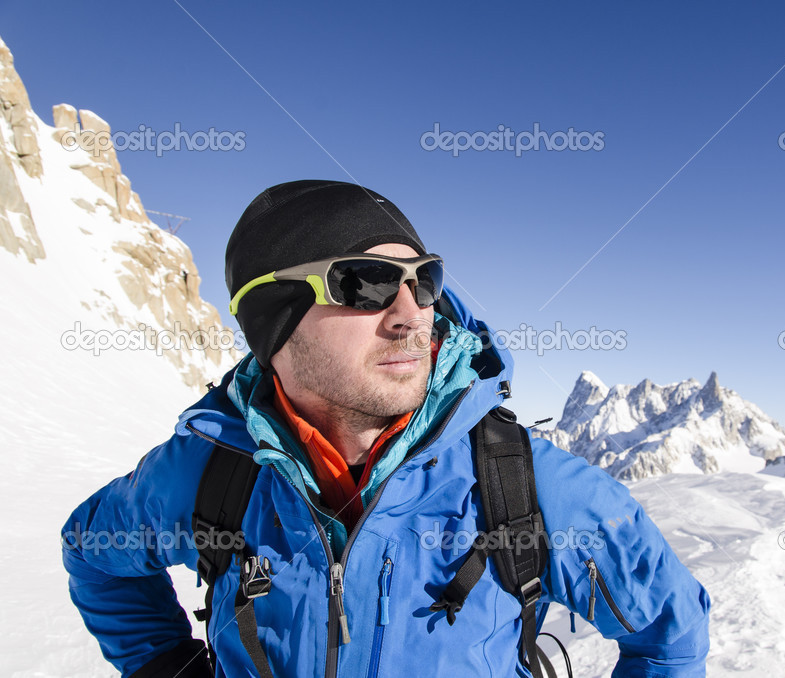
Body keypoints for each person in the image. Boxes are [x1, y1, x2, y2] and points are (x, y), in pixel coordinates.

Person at [61, 180, 711, 677]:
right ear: (274, 319)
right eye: (365, 283)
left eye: (423, 281)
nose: (410, 313)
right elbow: (96, 557)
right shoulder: (208, 472)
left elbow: (670, 634)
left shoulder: (531, 485)